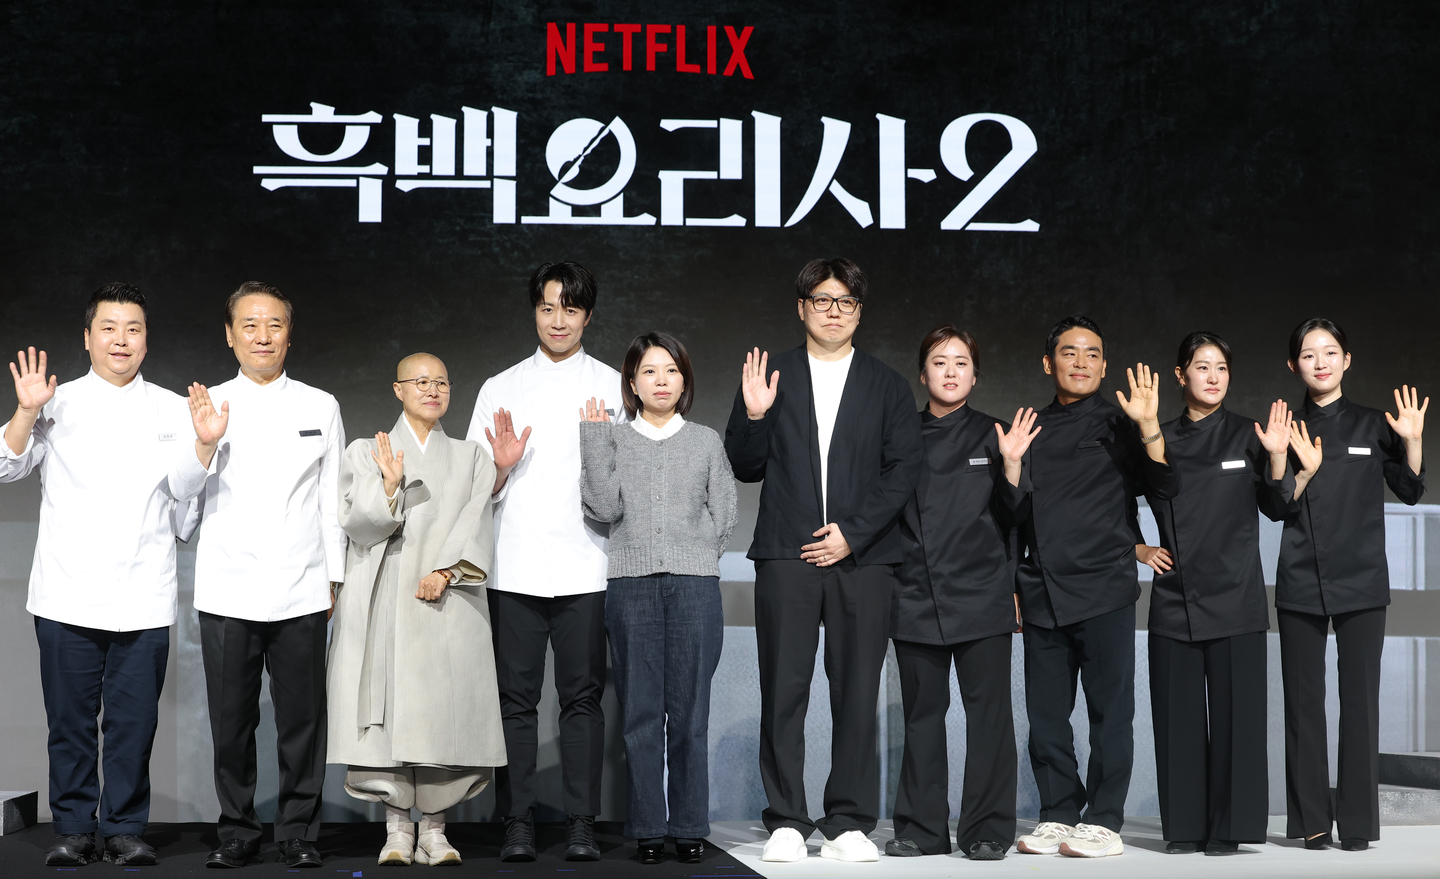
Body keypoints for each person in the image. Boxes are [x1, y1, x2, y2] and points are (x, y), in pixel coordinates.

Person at [0, 284, 222, 867]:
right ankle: (73, 827)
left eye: (133, 329)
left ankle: (124, 827)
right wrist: (25, 410)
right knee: (69, 724)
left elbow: (185, 497)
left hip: (144, 594)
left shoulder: (175, 409)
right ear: (88, 337)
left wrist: (203, 447)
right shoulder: (56, 401)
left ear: (146, 341)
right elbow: (7, 466)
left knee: (132, 725)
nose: (121, 339)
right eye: (109, 327)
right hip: (67, 591)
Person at [724, 257, 924, 864]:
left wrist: (853, 535)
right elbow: (744, 464)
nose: (833, 310)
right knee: (784, 688)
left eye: (845, 301)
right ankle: (786, 817)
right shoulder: (771, 372)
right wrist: (755, 414)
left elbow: (902, 474)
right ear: (803, 306)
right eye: (822, 299)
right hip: (786, 552)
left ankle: (848, 821)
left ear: (858, 312)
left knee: (857, 691)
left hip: (863, 561)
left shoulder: (887, 384)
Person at [465, 261, 625, 862]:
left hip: (589, 566)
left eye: (572, 309)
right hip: (515, 567)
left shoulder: (614, 386)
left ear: (588, 315)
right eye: (548, 308)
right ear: (534, 310)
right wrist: (501, 466)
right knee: (516, 701)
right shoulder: (498, 387)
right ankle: (517, 821)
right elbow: (476, 486)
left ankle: (582, 822)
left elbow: (623, 486)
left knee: (583, 700)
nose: (559, 320)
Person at [189, 282, 346, 869]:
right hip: (228, 587)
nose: (262, 335)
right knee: (232, 723)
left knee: (303, 721)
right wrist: (202, 444)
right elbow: (186, 502)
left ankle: (299, 831)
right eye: (249, 325)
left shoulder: (320, 404)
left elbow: (331, 500)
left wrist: (334, 577)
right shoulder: (208, 406)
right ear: (230, 335)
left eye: (274, 324)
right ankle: (236, 829)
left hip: (304, 586)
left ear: (288, 332)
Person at [1011, 315, 1178, 859]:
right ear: (1048, 362)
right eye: (1069, 352)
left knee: (1110, 712)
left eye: (1092, 354)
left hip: (1105, 586)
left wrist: (1150, 426)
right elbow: (1012, 516)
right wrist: (1013, 581)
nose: (1080, 362)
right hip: (1042, 590)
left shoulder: (1122, 422)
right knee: (1046, 715)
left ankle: (1104, 819)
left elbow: (1163, 486)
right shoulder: (1029, 425)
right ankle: (1059, 812)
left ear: (1105, 366)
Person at [328, 353, 505, 866]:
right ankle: (397, 831)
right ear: (398, 390)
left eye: (441, 382)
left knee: (443, 713)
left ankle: (435, 829)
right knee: (390, 714)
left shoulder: (472, 456)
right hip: (387, 598)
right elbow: (357, 526)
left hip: (448, 598)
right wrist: (386, 486)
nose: (432, 390)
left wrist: (446, 570)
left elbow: (477, 519)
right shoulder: (366, 451)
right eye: (420, 382)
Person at [579, 331, 737, 865]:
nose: (661, 380)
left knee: (690, 712)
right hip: (631, 586)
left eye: (670, 370)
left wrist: (694, 558)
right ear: (632, 382)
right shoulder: (615, 439)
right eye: (649, 371)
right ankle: (648, 826)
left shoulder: (706, 441)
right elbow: (601, 506)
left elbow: (726, 514)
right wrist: (593, 438)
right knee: (641, 713)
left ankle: (690, 824)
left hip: (695, 587)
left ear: (684, 380)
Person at [886, 326, 1037, 862]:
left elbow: (1019, 518)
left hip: (983, 595)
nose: (950, 372)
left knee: (989, 717)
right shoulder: (899, 434)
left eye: (961, 362)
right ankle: (921, 829)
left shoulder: (999, 434)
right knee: (922, 716)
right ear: (922, 373)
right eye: (939, 362)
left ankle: (987, 830)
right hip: (914, 594)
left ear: (976, 373)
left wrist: (1014, 466)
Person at [1141, 332, 1294, 855]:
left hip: (1238, 597)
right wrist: (1137, 548)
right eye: (1201, 367)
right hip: (1174, 597)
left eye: (1221, 368)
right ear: (1181, 375)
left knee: (1238, 720)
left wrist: (1277, 460)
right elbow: (1111, 501)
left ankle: (1230, 829)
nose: (1213, 376)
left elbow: (1278, 506)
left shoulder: (1251, 435)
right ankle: (1184, 829)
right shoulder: (1155, 437)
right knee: (1176, 719)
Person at [1277, 318, 1425, 852]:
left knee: (1360, 705)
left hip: (1363, 580)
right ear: (1294, 364)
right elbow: (1273, 505)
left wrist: (1412, 442)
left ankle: (1359, 824)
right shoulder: (1282, 425)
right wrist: (1298, 471)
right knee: (1303, 705)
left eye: (1330, 351)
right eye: (1309, 354)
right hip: (1299, 578)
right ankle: (1313, 821)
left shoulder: (1372, 424)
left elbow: (1409, 491)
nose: (1321, 361)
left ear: (1346, 360)